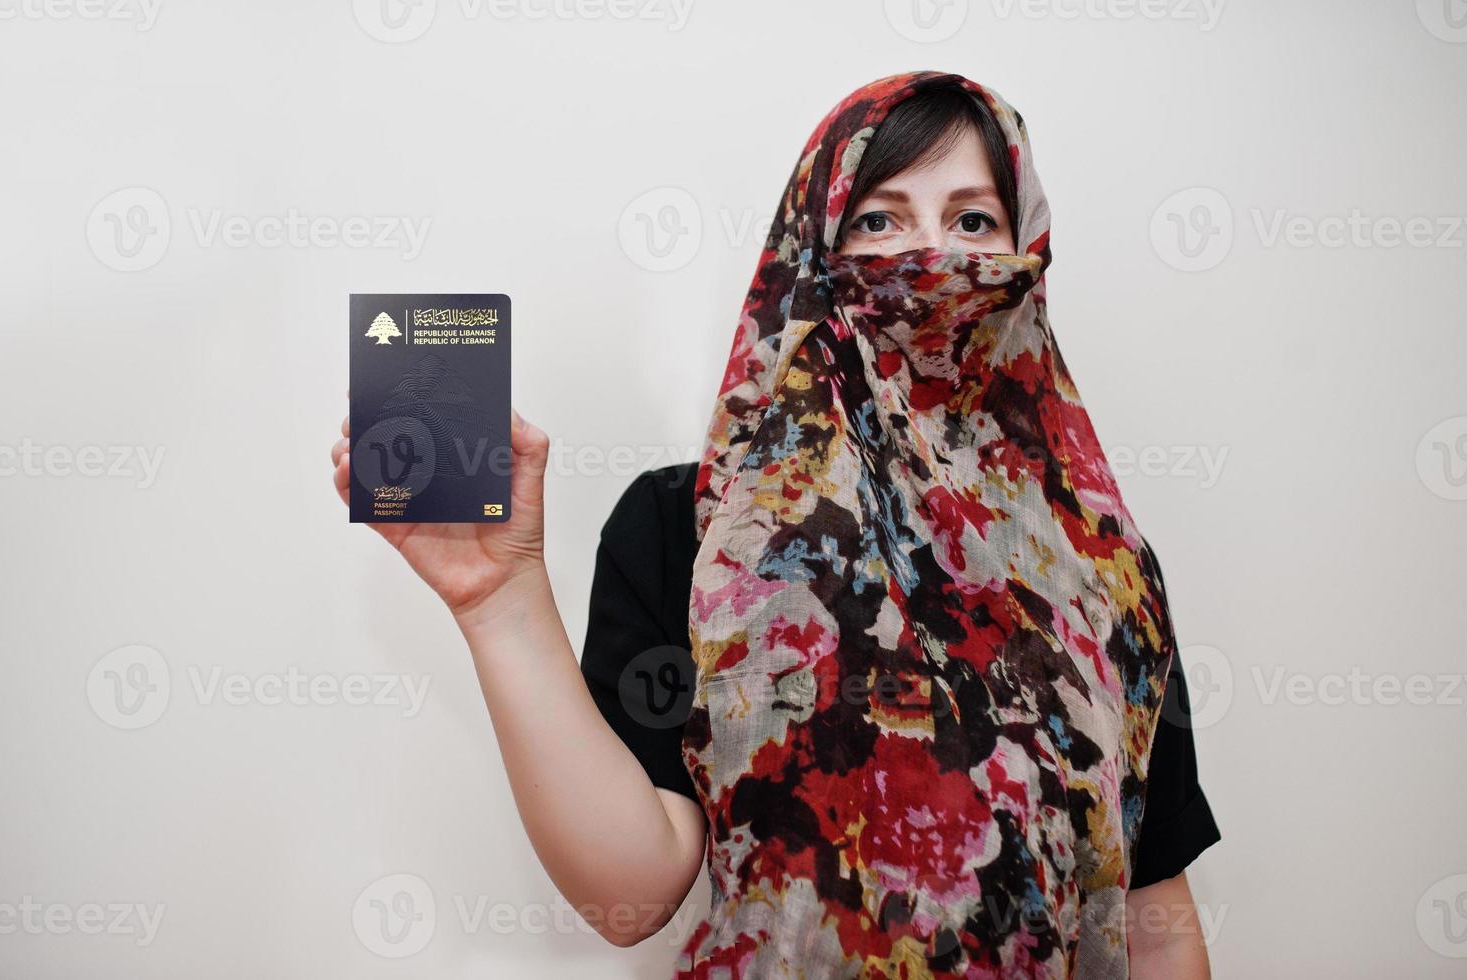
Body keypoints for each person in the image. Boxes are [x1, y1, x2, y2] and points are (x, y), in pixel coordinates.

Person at [331, 70, 1220, 979]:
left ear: (1024, 254)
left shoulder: (1100, 566)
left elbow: (1152, 912)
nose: (928, 254)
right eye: (877, 220)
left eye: (972, 221)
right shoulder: (687, 527)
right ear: (811, 254)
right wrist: (500, 601)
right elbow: (630, 897)